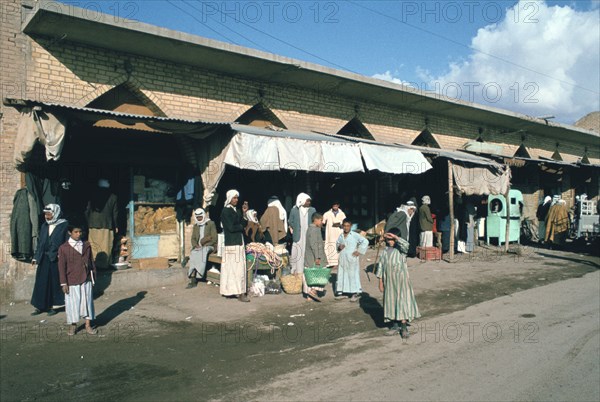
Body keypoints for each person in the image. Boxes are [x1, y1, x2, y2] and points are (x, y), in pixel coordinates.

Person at [377, 229, 420, 338]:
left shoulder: (401, 251)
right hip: (389, 282)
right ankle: (394, 326)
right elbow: (381, 267)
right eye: (388, 239)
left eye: (392, 239)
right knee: (391, 302)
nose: (390, 241)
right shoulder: (384, 252)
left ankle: (404, 327)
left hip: (401, 282)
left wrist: (396, 237)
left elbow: (406, 245)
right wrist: (380, 282)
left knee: (402, 302)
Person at [58, 224, 97, 335]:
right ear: (70, 233)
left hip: (86, 278)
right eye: (76, 232)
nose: (78, 234)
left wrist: (93, 277)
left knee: (87, 302)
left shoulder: (86, 245)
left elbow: (91, 262)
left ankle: (88, 325)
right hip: (72, 279)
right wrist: (63, 283)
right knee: (73, 304)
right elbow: (61, 267)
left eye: (80, 232)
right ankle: (73, 326)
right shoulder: (64, 248)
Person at [30, 204, 69, 316]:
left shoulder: (64, 225)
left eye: (49, 214)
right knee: (41, 282)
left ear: (55, 213)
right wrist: (36, 257)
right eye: (46, 214)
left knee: (54, 283)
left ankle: (53, 306)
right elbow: (40, 244)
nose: (47, 216)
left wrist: (62, 256)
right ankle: (40, 306)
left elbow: (66, 243)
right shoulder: (44, 226)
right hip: (44, 259)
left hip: (56, 259)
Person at [220, 190, 250, 302]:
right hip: (232, 244)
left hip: (238, 242)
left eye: (237, 198)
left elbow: (244, 222)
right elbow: (231, 228)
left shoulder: (236, 210)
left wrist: (244, 213)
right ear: (229, 198)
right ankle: (238, 292)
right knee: (234, 269)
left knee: (238, 268)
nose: (236, 200)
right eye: (234, 198)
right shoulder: (226, 211)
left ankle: (236, 291)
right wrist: (241, 226)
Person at [85, 179, 118, 269]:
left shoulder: (92, 195)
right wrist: (116, 225)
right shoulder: (113, 197)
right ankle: (104, 265)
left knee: (94, 245)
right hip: (107, 224)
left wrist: (88, 222)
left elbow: (87, 210)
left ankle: (94, 265)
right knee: (105, 245)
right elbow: (115, 213)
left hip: (93, 224)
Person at [335, 218, 368, 302]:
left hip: (352, 258)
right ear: (342, 226)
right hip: (342, 258)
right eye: (344, 226)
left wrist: (359, 251)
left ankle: (355, 293)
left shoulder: (354, 235)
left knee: (352, 275)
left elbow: (365, 241)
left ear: (351, 226)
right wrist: (339, 247)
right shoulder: (341, 235)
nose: (346, 228)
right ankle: (343, 292)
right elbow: (337, 244)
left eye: (348, 226)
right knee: (342, 274)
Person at [187, 208, 217, 288]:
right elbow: (193, 238)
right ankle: (193, 276)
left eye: (200, 217)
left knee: (203, 251)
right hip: (199, 246)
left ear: (203, 215)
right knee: (193, 252)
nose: (199, 219)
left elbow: (214, 238)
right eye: (198, 217)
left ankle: (199, 274)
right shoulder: (196, 226)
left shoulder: (210, 223)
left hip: (209, 246)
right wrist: (195, 245)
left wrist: (205, 245)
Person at [288, 193, 316, 277]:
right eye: (307, 201)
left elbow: (315, 220)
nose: (309, 203)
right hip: (298, 235)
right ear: (302, 201)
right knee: (298, 253)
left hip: (308, 235)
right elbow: (290, 221)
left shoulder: (312, 210)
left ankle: (307, 271)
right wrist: (296, 228)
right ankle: (297, 271)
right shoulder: (294, 210)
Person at [304, 212, 328, 302]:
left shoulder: (310, 229)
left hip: (310, 256)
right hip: (315, 256)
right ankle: (313, 291)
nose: (322, 222)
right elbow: (315, 245)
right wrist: (317, 257)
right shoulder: (315, 230)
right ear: (316, 220)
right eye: (321, 220)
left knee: (311, 274)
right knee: (320, 273)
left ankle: (309, 296)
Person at [322, 201, 346, 268]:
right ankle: (331, 262)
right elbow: (323, 222)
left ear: (338, 206)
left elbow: (344, 222)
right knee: (331, 245)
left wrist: (340, 225)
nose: (335, 207)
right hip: (330, 233)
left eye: (336, 206)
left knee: (339, 245)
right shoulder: (327, 214)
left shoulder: (342, 213)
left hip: (338, 232)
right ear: (332, 206)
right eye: (334, 206)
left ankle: (339, 261)